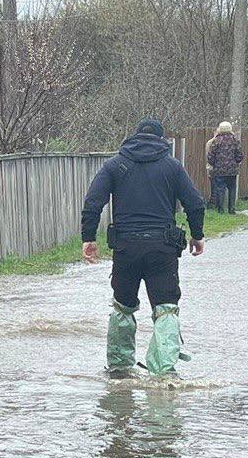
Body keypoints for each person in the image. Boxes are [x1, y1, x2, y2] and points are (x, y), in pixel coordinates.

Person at [81, 118, 206, 377]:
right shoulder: (172, 167)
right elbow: (195, 203)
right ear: (162, 141)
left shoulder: (115, 165)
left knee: (122, 306)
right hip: (162, 250)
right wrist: (197, 235)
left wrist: (89, 238)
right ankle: (163, 372)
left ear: (134, 137)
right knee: (166, 308)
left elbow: (93, 202)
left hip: (126, 249)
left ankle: (119, 367)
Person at [206, 121, 243, 213]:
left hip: (219, 170)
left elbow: (210, 155)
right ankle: (231, 209)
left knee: (220, 189)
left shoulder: (216, 140)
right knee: (232, 189)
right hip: (232, 170)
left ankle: (220, 209)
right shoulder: (235, 140)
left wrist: (213, 164)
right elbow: (240, 154)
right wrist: (236, 162)